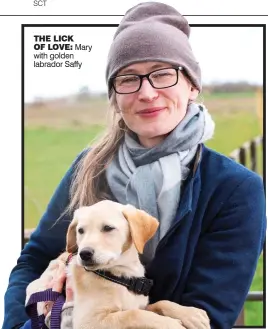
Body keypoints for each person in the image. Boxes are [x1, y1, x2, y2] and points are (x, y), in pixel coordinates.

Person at [3, 2, 265, 329]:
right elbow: (34, 259)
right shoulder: (89, 167)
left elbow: (208, 315)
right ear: (115, 96)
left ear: (192, 85)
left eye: (163, 73)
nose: (147, 92)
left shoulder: (235, 189)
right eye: (128, 78)